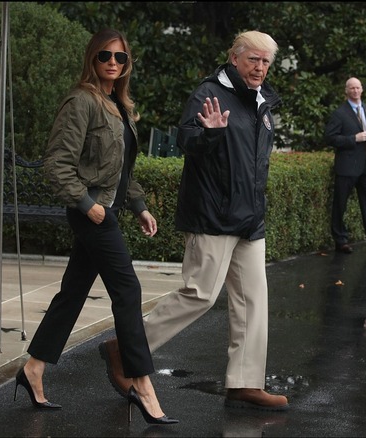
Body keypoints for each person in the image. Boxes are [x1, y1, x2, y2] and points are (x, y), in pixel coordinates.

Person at [99, 30, 289, 411]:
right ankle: (125, 349)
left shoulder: (262, 100)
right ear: (234, 58)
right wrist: (212, 135)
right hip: (213, 215)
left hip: (250, 219)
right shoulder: (208, 93)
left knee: (253, 301)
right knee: (199, 295)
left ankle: (245, 383)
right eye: (253, 59)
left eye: (266, 61)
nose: (260, 68)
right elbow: (188, 142)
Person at [14, 28, 177, 425]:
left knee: (72, 293)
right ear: (93, 58)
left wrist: (138, 205)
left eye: (120, 58)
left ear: (127, 64)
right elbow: (57, 164)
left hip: (109, 210)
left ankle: (33, 367)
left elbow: (122, 169)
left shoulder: (119, 105)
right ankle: (141, 382)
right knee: (128, 288)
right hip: (92, 212)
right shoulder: (81, 101)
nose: (113, 63)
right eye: (106, 55)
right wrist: (88, 206)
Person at [325, 76, 366, 255]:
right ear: (346, 91)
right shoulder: (339, 113)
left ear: (362, 89)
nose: (355, 91)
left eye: (358, 87)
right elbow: (330, 137)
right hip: (347, 167)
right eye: (351, 88)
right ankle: (341, 241)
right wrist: (353, 139)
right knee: (340, 206)